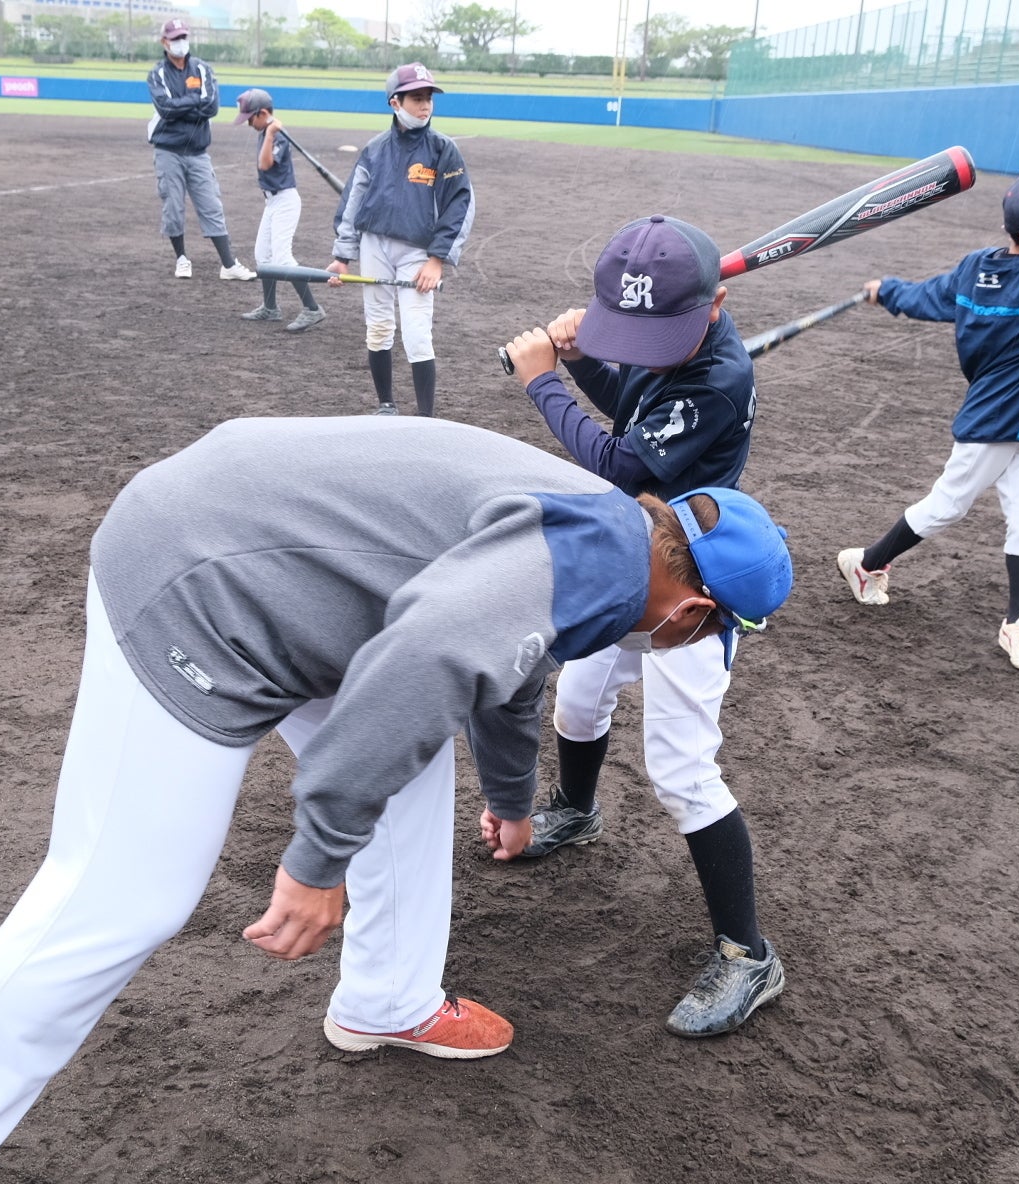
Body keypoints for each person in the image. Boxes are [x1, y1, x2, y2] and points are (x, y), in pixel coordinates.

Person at [0, 415, 793, 1184]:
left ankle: (387, 1000)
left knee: (411, 770)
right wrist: (317, 860)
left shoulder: (616, 531)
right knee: (126, 892)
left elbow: (502, 661)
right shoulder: (596, 570)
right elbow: (427, 661)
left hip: (278, 554)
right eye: (715, 636)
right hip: (201, 577)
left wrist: (510, 795)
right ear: (693, 614)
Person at [498, 214, 786, 1038]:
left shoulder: (719, 379)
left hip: (693, 589)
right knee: (578, 699)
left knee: (681, 771)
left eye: (652, 339)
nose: (645, 353)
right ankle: (577, 809)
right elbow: (635, 409)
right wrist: (587, 360)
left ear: (716, 305)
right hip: (636, 560)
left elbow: (621, 462)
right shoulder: (680, 344)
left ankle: (748, 955)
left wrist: (545, 381)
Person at [837, 163, 1019, 673]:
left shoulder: (976, 268)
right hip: (998, 423)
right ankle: (866, 563)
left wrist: (888, 291)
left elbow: (931, 296)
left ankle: (1018, 621)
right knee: (946, 507)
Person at [328, 63, 474, 417]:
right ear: (395, 102)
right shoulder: (374, 149)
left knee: (417, 332)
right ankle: (386, 405)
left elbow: (460, 205)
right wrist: (342, 257)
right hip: (374, 245)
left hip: (418, 252)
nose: (425, 106)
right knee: (378, 327)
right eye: (416, 98)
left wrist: (437, 260)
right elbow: (353, 203)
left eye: (428, 98)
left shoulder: (443, 149)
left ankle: (425, 418)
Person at [147, 18, 254, 282]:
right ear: (164, 42)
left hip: (197, 151)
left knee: (211, 205)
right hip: (168, 150)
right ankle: (182, 258)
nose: (180, 42)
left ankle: (228, 264)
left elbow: (211, 107)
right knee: (173, 206)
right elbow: (165, 109)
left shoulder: (202, 69)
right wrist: (194, 101)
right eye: (175, 38)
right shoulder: (157, 73)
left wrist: (182, 104)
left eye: (183, 37)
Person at [235, 88, 325, 332]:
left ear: (263, 113)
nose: (248, 123)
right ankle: (270, 307)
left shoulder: (278, 136)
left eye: (250, 118)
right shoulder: (267, 131)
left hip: (285, 201)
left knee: (283, 258)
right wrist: (268, 133)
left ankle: (312, 308)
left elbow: (265, 164)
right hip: (272, 202)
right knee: (262, 256)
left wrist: (271, 134)